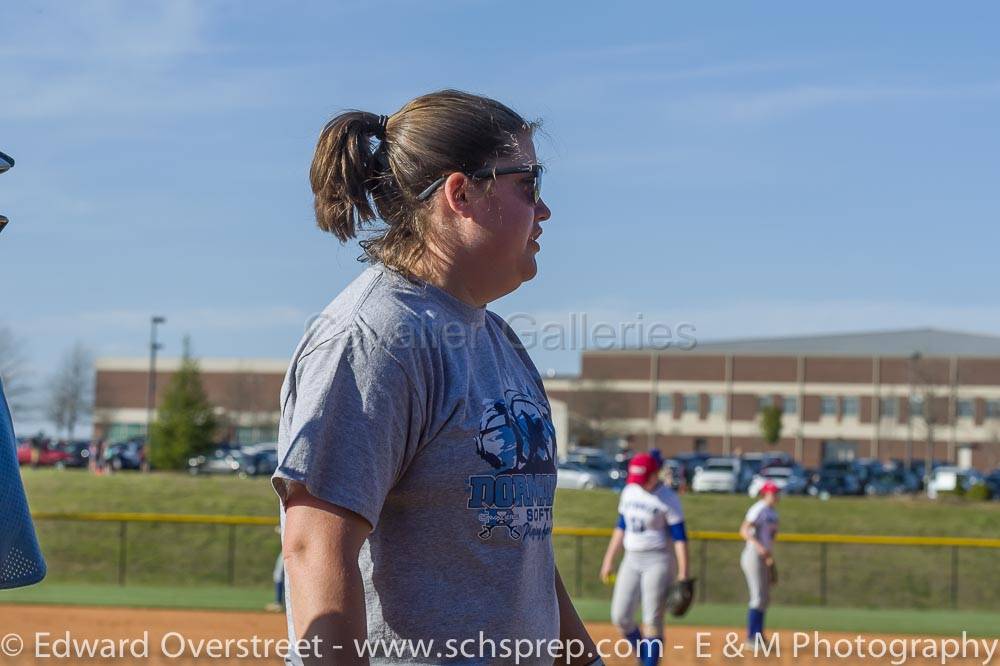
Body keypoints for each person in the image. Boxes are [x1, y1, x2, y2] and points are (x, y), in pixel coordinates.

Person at [272, 90, 600, 665]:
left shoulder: (496, 339)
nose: (544, 211)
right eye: (529, 184)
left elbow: (521, 556)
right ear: (461, 193)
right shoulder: (374, 338)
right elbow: (314, 547)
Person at [600, 452, 690, 666]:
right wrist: (609, 559)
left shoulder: (668, 498)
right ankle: (644, 656)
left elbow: (680, 538)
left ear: (654, 475)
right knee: (620, 617)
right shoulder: (630, 492)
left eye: (644, 479)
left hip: (658, 560)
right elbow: (621, 527)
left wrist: (683, 574)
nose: (640, 484)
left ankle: (650, 662)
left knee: (652, 619)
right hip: (631, 559)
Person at [739, 481, 780, 644]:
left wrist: (769, 556)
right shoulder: (759, 508)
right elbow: (743, 530)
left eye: (777, 493)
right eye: (773, 493)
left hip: (763, 556)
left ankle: (759, 636)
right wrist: (759, 547)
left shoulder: (773, 513)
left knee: (764, 598)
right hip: (753, 555)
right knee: (757, 596)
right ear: (765, 494)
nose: (776, 496)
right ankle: (751, 637)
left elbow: (770, 538)